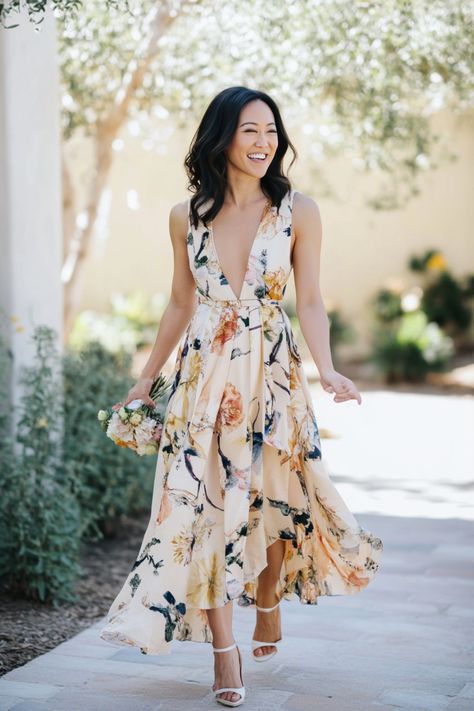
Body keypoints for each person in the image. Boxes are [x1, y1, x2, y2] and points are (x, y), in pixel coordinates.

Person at [99, 86, 383, 707]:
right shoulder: (185, 216)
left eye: (272, 132)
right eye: (251, 130)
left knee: (279, 490)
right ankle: (224, 657)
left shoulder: (297, 210)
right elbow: (181, 302)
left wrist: (328, 369)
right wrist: (146, 378)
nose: (264, 143)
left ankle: (269, 592)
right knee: (201, 507)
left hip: (273, 371)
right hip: (203, 378)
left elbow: (308, 298)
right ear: (222, 136)